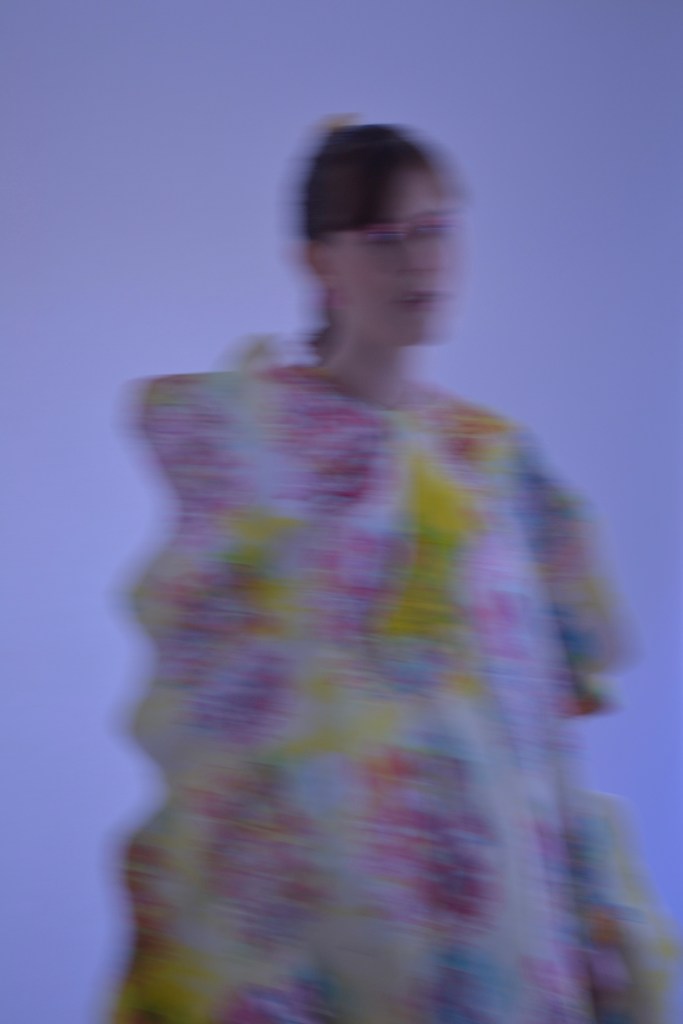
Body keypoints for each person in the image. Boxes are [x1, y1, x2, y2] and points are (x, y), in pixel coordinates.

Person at [112, 123, 663, 1024]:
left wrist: (591, 915)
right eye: (384, 238)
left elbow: (536, 720)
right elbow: (228, 709)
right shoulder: (254, 453)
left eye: (437, 229)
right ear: (317, 261)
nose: (421, 262)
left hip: (500, 925)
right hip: (325, 929)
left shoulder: (495, 462)